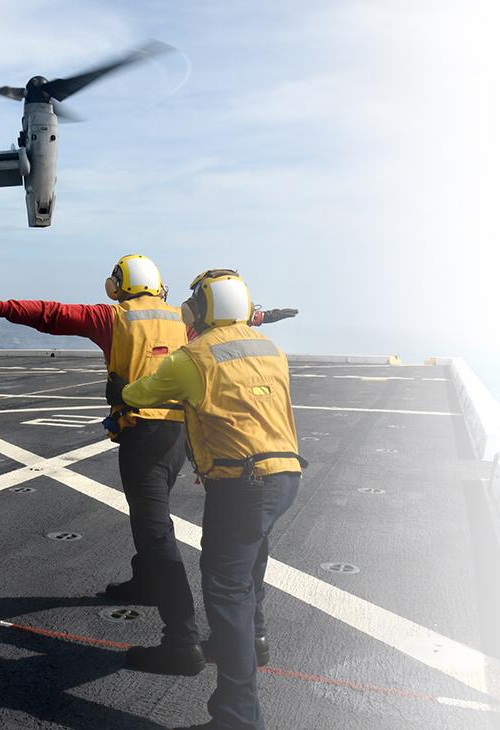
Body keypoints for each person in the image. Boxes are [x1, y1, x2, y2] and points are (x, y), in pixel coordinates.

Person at [0, 254, 206, 675]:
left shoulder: (114, 317)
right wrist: (260, 315)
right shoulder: (182, 319)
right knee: (149, 519)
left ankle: (183, 640)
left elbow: (52, 315)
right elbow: (222, 327)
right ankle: (145, 583)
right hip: (178, 439)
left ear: (117, 285)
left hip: (143, 436)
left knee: (155, 531)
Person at [121, 269, 305, 730]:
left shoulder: (194, 357)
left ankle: (238, 717)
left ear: (200, 310)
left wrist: (122, 393)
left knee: (225, 591)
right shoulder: (272, 350)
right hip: (284, 476)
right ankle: (253, 638)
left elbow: (140, 392)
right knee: (250, 564)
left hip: (242, 484)